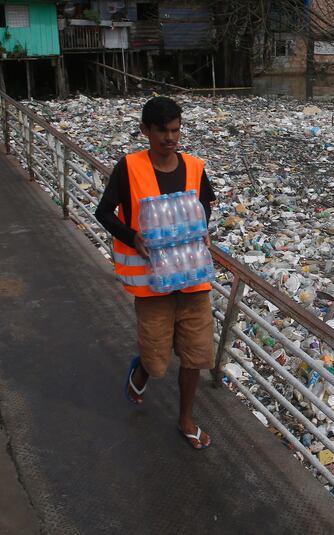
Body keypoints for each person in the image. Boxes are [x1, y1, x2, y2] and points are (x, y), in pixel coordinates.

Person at [95, 96, 216, 450]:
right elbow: (104, 212)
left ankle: (186, 419)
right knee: (157, 358)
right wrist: (133, 237)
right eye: (162, 130)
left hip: (194, 279)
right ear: (145, 130)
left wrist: (203, 228)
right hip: (151, 286)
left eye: (176, 130)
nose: (170, 138)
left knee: (196, 354)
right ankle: (143, 370)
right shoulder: (129, 168)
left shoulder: (194, 166)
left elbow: (204, 205)